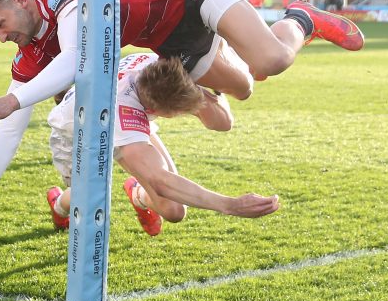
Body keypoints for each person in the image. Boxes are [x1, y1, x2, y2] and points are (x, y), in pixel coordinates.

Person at [0, 0, 364, 252]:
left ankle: (301, 19)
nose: (3, 37)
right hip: (165, 38)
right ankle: (243, 47)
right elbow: (8, 129)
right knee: (246, 87)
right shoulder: (31, 49)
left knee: (270, 60)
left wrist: (12, 100)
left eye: (0, 23)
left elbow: (78, 57)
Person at [44, 52, 279, 237]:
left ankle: (137, 194)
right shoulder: (125, 114)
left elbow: (223, 122)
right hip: (77, 133)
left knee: (173, 210)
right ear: (159, 113)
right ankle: (59, 206)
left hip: (118, 112)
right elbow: (161, 181)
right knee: (86, 197)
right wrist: (231, 205)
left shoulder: (160, 64)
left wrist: (231, 77)